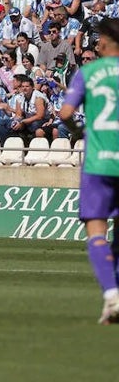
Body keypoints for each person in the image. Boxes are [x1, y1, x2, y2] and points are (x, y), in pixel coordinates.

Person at [57, 17, 119, 324]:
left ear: (107, 42)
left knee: (96, 229)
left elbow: (66, 113)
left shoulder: (89, 72)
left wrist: (77, 130)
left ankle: (111, 295)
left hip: (98, 162)